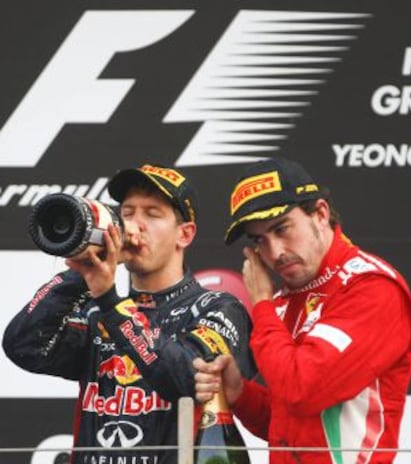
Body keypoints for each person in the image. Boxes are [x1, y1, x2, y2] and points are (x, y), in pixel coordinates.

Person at [3, 163, 256, 464]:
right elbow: (24, 346)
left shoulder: (218, 307)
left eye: (152, 213)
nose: (135, 226)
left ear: (185, 234)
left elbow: (184, 378)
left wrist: (111, 302)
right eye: (127, 213)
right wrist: (84, 271)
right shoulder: (96, 310)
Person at [193, 156, 411, 464]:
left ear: (320, 214)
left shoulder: (371, 289)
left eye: (282, 229)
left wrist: (261, 304)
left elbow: (303, 390)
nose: (275, 252)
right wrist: (239, 393)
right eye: (260, 240)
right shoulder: (286, 300)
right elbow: (286, 426)